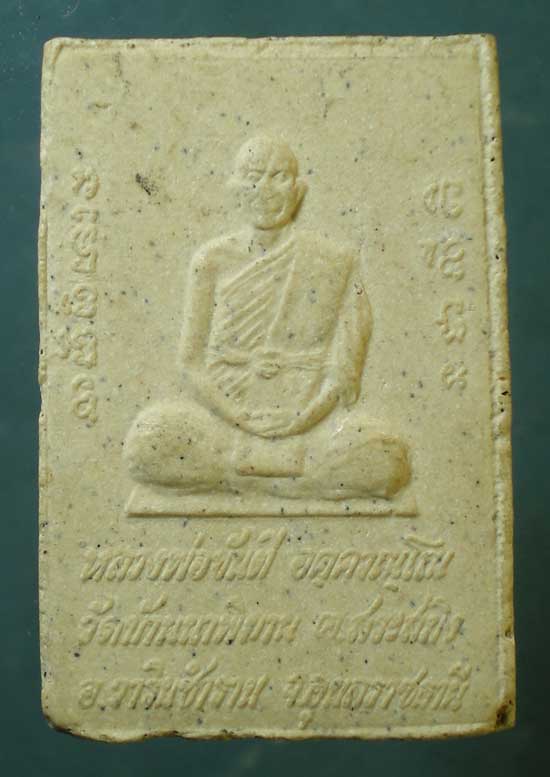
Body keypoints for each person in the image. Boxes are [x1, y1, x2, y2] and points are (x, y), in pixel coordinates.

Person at [124, 136, 411, 501]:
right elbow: (191, 363)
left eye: (279, 177)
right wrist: (240, 417)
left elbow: (344, 368)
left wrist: (302, 419)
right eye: (253, 176)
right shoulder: (211, 260)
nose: (265, 189)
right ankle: (294, 483)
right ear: (235, 189)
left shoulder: (335, 260)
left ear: (298, 190)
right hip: (224, 421)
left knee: (387, 457)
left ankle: (242, 478)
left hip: (310, 420)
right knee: (148, 440)